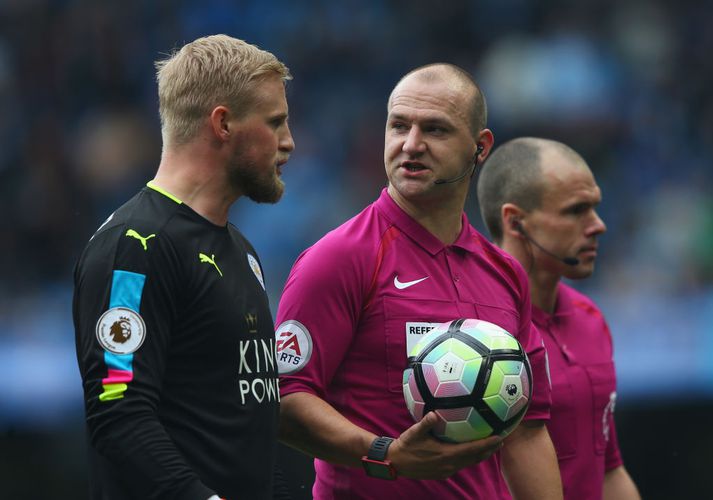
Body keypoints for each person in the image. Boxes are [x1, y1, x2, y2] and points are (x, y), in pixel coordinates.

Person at [274, 64, 562, 499]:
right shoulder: (339, 259)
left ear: (480, 147)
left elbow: (527, 433)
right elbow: (282, 400)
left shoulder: (506, 275)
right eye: (399, 126)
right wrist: (383, 453)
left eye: (435, 130)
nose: (411, 144)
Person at [73, 34, 295, 499]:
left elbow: (251, 424)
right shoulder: (133, 248)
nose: (288, 143)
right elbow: (118, 411)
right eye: (275, 123)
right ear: (223, 123)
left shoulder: (242, 253)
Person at [477, 137, 641, 500]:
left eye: (595, 208)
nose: (598, 225)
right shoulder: (473, 338)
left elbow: (609, 470)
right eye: (575, 210)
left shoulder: (590, 318)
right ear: (515, 222)